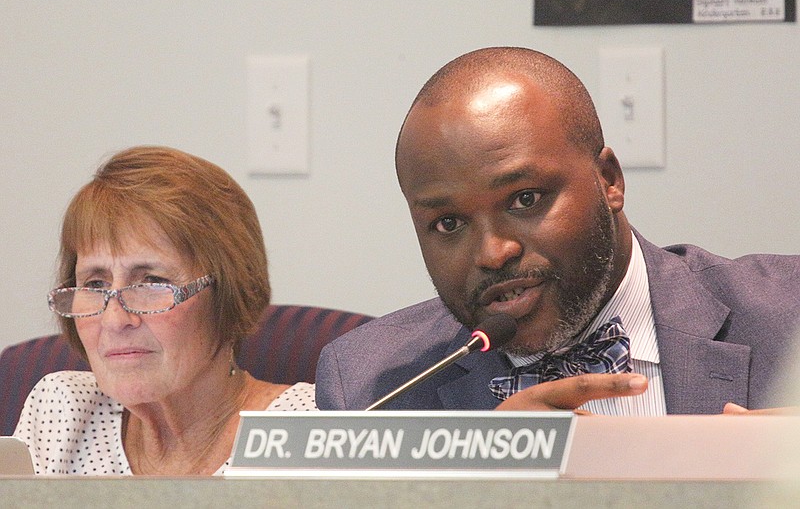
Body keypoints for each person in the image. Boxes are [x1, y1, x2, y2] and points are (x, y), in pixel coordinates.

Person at [315, 47, 800, 415]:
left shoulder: (786, 319)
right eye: (449, 223)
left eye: (525, 199)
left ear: (608, 180)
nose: (493, 251)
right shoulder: (371, 385)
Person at [14, 146, 315, 475]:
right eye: (96, 285)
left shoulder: (306, 430)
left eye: (151, 282)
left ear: (227, 294)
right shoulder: (60, 413)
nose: (114, 320)